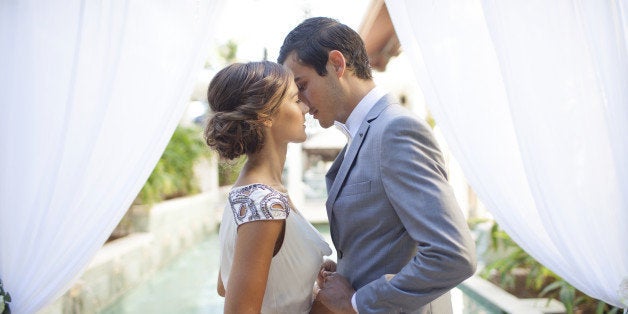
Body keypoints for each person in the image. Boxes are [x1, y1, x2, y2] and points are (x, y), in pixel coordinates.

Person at [278, 17, 477, 314]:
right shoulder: (363, 135)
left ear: (336, 64)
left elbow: (452, 255)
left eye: (302, 86)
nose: (303, 105)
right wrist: (346, 272)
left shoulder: (396, 130)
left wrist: (357, 303)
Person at [205, 61, 334, 313]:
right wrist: (327, 307)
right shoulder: (263, 204)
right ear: (264, 115)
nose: (306, 108)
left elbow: (225, 285)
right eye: (296, 100)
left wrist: (303, 278)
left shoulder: (247, 193)